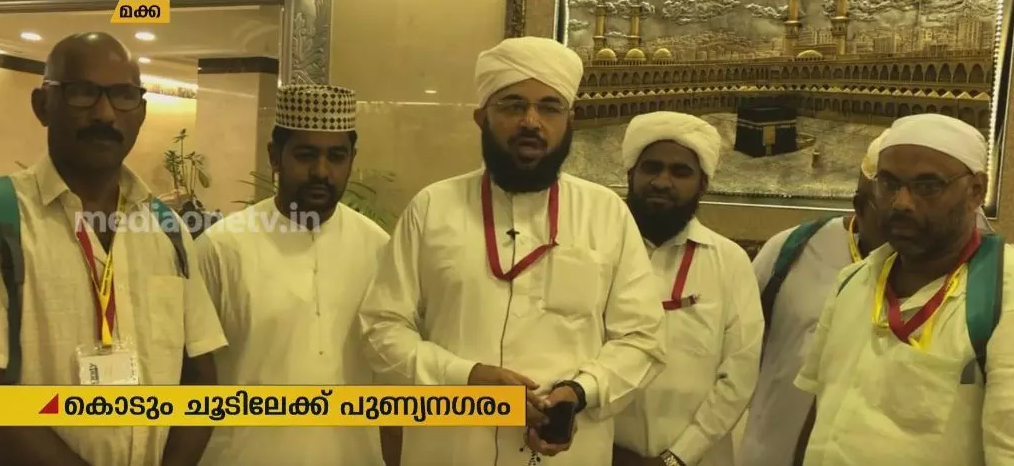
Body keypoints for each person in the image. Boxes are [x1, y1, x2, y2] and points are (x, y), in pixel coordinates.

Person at [358, 36, 666, 466]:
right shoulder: (431, 208)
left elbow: (643, 338)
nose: (531, 121)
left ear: (570, 121)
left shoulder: (606, 214)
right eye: (513, 105)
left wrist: (579, 392)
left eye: (549, 108)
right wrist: (464, 378)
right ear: (481, 118)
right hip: (451, 448)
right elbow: (381, 327)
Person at [0, 32, 227, 465]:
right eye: (82, 92)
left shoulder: (167, 228)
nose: (105, 113)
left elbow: (201, 381)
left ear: (141, 112)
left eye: (123, 96)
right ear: (43, 105)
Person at [793, 113, 1014, 466]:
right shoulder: (852, 281)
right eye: (889, 183)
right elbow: (822, 409)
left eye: (927, 186)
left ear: (976, 191)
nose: (901, 202)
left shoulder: (1004, 296)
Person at [195, 85, 395, 466]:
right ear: (275, 156)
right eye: (306, 155)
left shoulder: (379, 248)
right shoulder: (220, 248)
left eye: (336, 156)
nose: (321, 171)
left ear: (352, 159)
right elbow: (190, 377)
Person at [612, 112, 763, 466]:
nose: (662, 181)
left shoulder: (729, 261)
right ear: (631, 175)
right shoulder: (600, 251)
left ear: (702, 184)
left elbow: (739, 375)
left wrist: (675, 458)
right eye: (651, 168)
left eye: (680, 172)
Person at [737, 133, 890, 466]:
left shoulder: (960, 277)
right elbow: (736, 352)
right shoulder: (792, 248)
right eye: (892, 208)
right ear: (860, 206)